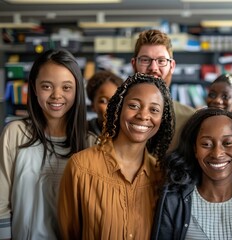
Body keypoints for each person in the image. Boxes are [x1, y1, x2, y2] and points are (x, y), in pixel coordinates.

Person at [58, 73, 175, 239]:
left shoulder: (161, 175)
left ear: (162, 119)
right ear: (119, 107)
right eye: (134, 105)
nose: (143, 115)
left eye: (154, 109)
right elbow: (69, 233)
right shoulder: (80, 167)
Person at [0, 49, 96, 239]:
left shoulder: (90, 143)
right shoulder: (15, 133)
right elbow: (1, 201)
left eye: (66, 87)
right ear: (34, 88)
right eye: (47, 86)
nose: (56, 95)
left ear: (77, 90)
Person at [151, 108, 232, 240]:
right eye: (206, 144)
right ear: (195, 149)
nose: (217, 154)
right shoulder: (173, 201)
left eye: (227, 143)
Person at [131, 29, 195, 152]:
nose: (153, 68)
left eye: (161, 61)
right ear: (134, 64)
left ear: (172, 66)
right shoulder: (119, 114)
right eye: (145, 60)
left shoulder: (189, 119)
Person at [86, 70, 123, 136]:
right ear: (93, 106)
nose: (112, 106)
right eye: (103, 101)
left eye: (117, 100)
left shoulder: (128, 131)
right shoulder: (81, 132)